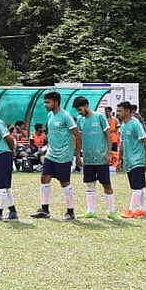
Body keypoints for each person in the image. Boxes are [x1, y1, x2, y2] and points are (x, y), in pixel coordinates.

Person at [31, 91, 81, 221]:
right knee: (44, 178)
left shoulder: (66, 116)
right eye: (45, 102)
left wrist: (77, 155)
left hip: (64, 156)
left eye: (48, 102)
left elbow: (77, 135)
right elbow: (51, 135)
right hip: (51, 155)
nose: (45, 105)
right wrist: (45, 148)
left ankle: (70, 212)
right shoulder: (50, 116)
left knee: (64, 182)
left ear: (56, 102)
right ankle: (45, 210)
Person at [74, 96, 118, 219]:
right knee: (89, 184)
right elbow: (79, 139)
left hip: (101, 157)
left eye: (80, 109)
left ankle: (111, 211)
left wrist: (109, 153)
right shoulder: (79, 120)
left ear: (86, 106)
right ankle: (90, 211)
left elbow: (108, 135)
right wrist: (78, 155)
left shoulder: (99, 117)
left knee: (106, 184)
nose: (79, 112)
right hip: (88, 159)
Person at [116, 102, 146, 218]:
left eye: (120, 111)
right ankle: (143, 210)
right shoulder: (123, 126)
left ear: (127, 111)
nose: (118, 113)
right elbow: (122, 145)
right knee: (138, 186)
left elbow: (145, 141)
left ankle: (132, 210)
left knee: (136, 186)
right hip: (129, 161)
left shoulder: (135, 124)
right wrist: (119, 160)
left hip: (138, 160)